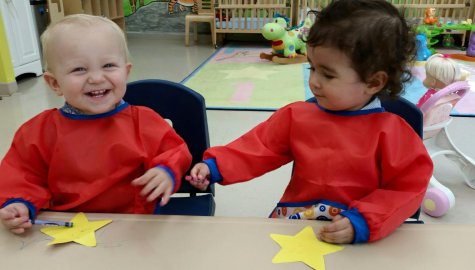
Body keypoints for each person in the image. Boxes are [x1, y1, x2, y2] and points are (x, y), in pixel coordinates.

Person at [187, 0, 433, 244]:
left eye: (327, 74)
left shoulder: (392, 132)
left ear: (373, 82)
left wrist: (365, 220)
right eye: (312, 68)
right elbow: (259, 146)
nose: (314, 81)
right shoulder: (297, 115)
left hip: (357, 231)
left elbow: (408, 188)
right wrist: (216, 166)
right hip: (296, 222)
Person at [0, 14, 192, 234]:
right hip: (66, 226)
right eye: (79, 69)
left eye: (108, 65)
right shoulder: (38, 132)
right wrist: (19, 203)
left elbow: (175, 151)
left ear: (126, 72)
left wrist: (166, 170)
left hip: (135, 224)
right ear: (54, 83)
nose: (96, 78)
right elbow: (21, 174)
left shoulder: (143, 121)